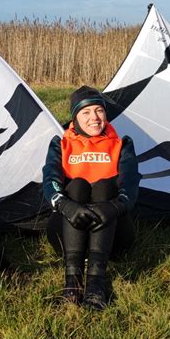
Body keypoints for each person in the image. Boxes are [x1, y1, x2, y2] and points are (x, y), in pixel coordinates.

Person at [42, 86, 141, 310]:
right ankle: (73, 282)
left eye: (99, 111)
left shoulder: (121, 144)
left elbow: (131, 183)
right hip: (68, 233)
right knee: (76, 186)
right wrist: (65, 205)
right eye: (86, 113)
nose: (94, 118)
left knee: (105, 187)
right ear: (75, 117)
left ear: (106, 114)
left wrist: (115, 206)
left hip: (112, 234)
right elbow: (50, 181)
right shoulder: (61, 144)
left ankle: (96, 283)